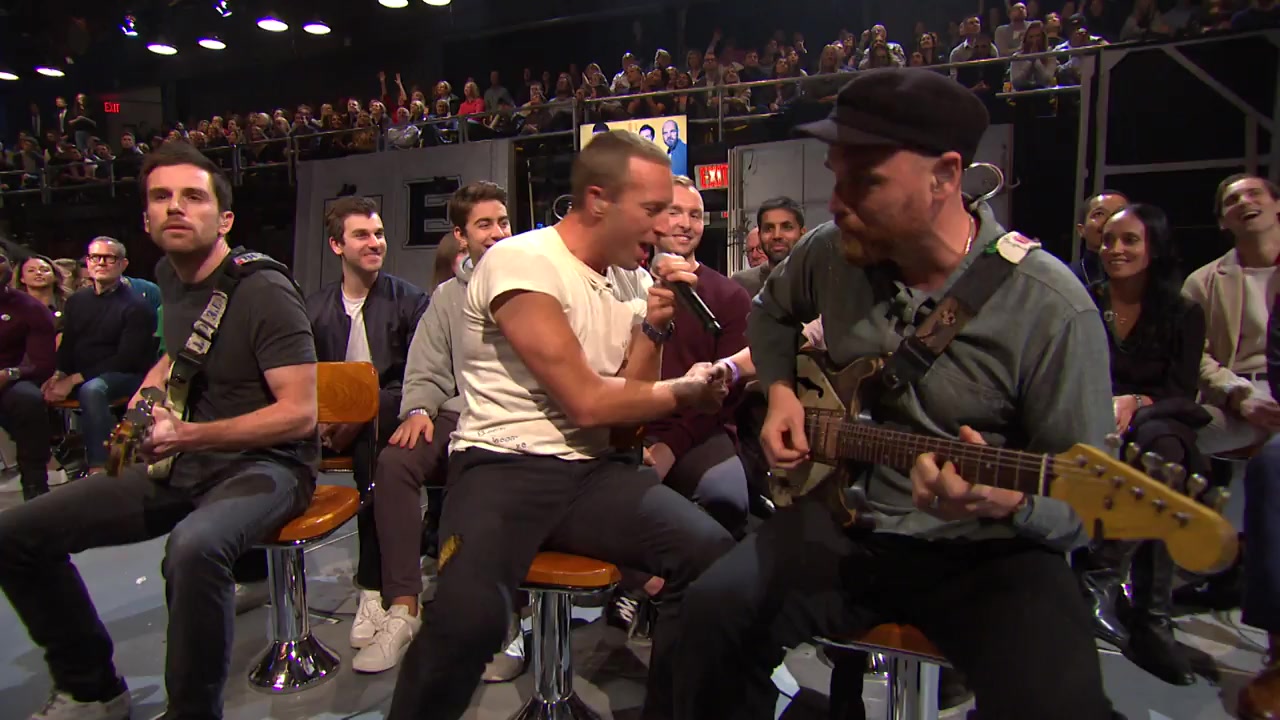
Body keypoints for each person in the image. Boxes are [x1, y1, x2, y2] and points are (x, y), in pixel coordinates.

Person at [673, 68, 1121, 720]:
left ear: (945, 175)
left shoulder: (1051, 306)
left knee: (1062, 704)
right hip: (852, 524)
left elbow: (1089, 500)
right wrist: (782, 393)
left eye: (866, 182)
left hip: (990, 551)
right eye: (836, 177)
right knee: (707, 620)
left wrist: (1011, 501)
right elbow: (771, 312)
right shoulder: (831, 252)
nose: (837, 202)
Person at [386, 130, 737, 720]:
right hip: (504, 466)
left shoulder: (627, 282)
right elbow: (587, 403)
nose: (664, 228)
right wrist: (684, 390)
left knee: (712, 557)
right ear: (599, 200)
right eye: (651, 210)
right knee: (468, 621)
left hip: (595, 472)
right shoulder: (522, 260)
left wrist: (654, 327)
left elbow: (625, 409)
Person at [0, 141, 319, 720]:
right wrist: (147, 399)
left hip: (270, 464)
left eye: (193, 197)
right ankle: (93, 690)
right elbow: (178, 354)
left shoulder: (264, 290)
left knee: (194, 550)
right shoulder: (169, 277)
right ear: (146, 220)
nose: (176, 207)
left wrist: (187, 435)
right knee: (15, 534)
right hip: (185, 462)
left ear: (224, 219)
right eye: (161, 197)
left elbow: (299, 414)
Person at [353, 181, 520, 678]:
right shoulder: (446, 298)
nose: (498, 233)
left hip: (517, 417)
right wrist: (419, 410)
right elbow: (425, 369)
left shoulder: (537, 282)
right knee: (394, 463)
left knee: (488, 475)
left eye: (503, 222)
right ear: (460, 236)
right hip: (459, 411)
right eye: (484, 225)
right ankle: (404, 605)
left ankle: (505, 617)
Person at [1072, 204, 1206, 686]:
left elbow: (1181, 391)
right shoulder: (1084, 301)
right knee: (1162, 456)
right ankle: (1147, 614)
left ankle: (1109, 582)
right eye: (1108, 239)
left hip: (1156, 417)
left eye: (1129, 240)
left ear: (1154, 247)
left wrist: (1135, 402)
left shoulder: (1183, 311)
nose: (1115, 249)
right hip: (1090, 415)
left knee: (1162, 447)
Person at [305, 195, 428, 633]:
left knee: (373, 446)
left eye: (379, 234)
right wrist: (324, 417)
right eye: (362, 235)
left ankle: (373, 588)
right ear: (337, 245)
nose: (375, 242)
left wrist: (357, 415)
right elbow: (304, 378)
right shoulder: (313, 308)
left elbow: (416, 380)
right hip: (325, 424)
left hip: (389, 417)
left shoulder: (411, 301)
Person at [1184, 174, 1280, 456]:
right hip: (1240, 395)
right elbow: (1194, 355)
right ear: (1222, 222)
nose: (1244, 202)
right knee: (1167, 435)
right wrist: (1238, 396)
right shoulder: (1202, 282)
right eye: (1232, 200)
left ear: (1277, 205)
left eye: (1254, 193)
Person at [42, 237, 156, 475]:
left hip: (125, 375)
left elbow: (126, 359)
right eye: (95, 257)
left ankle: (101, 467)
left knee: (92, 390)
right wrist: (58, 374)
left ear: (123, 264)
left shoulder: (136, 306)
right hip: (82, 374)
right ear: (88, 262)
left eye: (109, 258)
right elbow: (68, 345)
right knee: (34, 390)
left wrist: (73, 379)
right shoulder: (77, 301)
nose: (101, 263)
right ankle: (44, 465)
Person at [0, 246, 58, 500]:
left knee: (28, 400)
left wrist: (8, 374)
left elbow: (42, 363)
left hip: (11, 380)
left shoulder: (30, 308)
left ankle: (35, 487)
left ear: (10, 267)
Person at [1071, 191, 1129, 287]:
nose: (1110, 219)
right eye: (1099, 214)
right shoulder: (1066, 278)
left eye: (1119, 212)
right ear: (1081, 230)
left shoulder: (1143, 279)